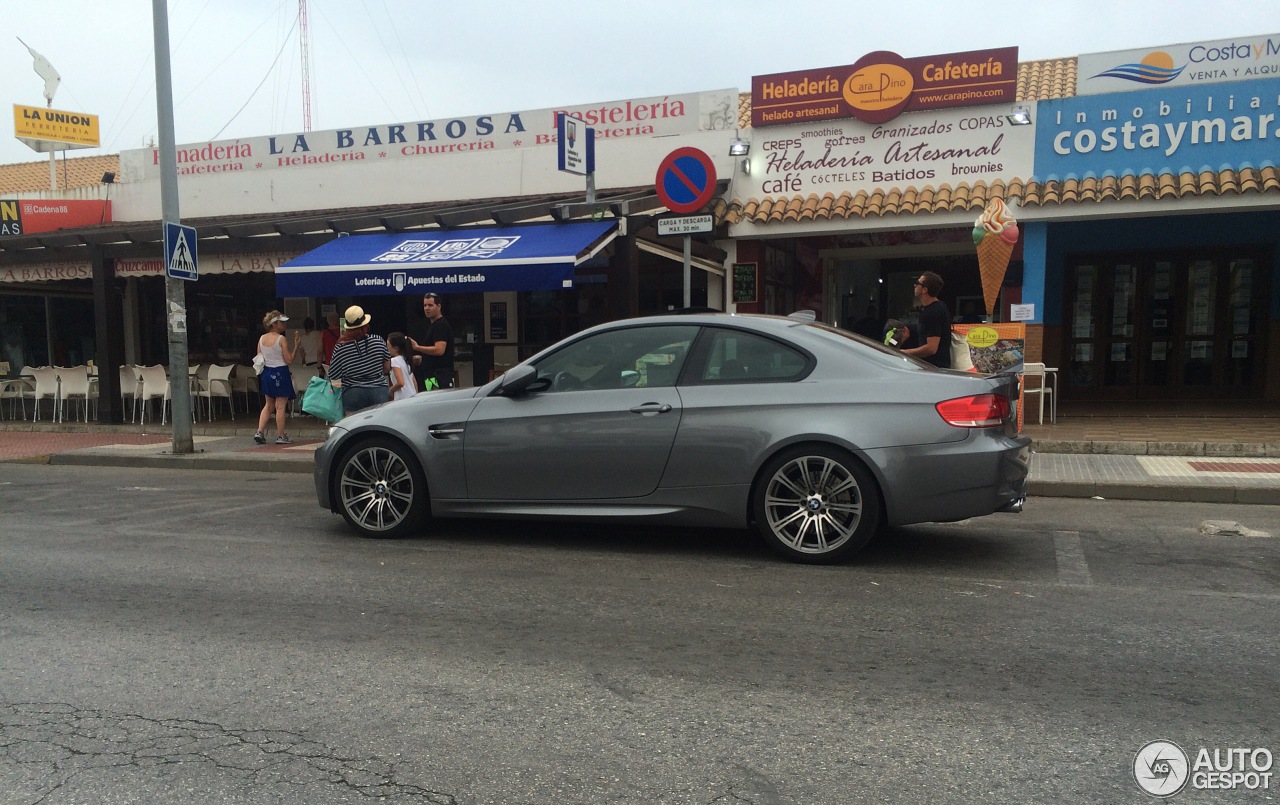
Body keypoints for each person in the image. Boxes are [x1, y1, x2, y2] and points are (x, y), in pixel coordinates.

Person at [328, 305, 391, 415]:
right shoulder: (378, 340)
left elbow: (334, 375)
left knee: (354, 428)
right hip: (379, 390)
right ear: (365, 325)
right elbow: (387, 368)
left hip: (353, 392)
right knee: (379, 427)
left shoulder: (340, 347)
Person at [254, 310, 300, 445]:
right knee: (280, 406)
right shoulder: (281, 339)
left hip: (267, 372)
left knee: (268, 404)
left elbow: (259, 358)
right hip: (280, 372)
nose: (284, 324)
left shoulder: (262, 338)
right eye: (281, 322)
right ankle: (281, 435)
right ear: (275, 324)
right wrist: (296, 346)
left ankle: (260, 431)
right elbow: (289, 360)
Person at [902, 271, 952, 369]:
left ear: (924, 290)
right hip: (934, 367)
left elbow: (931, 348)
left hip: (934, 368)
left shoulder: (933, 311)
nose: (914, 285)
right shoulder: (937, 307)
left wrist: (904, 353)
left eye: (918, 283)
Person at [408, 292, 455, 391]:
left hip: (440, 377)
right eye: (425, 305)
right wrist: (423, 358)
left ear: (439, 306)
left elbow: (439, 350)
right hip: (431, 377)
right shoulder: (433, 325)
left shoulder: (441, 325)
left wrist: (417, 347)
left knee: (439, 405)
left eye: (430, 305)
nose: (426, 308)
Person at [386, 332, 418, 402]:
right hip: (412, 395)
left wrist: (390, 390)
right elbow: (414, 382)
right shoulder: (407, 360)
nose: (387, 349)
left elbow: (400, 383)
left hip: (402, 398)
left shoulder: (394, 361)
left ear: (395, 348)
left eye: (388, 347)